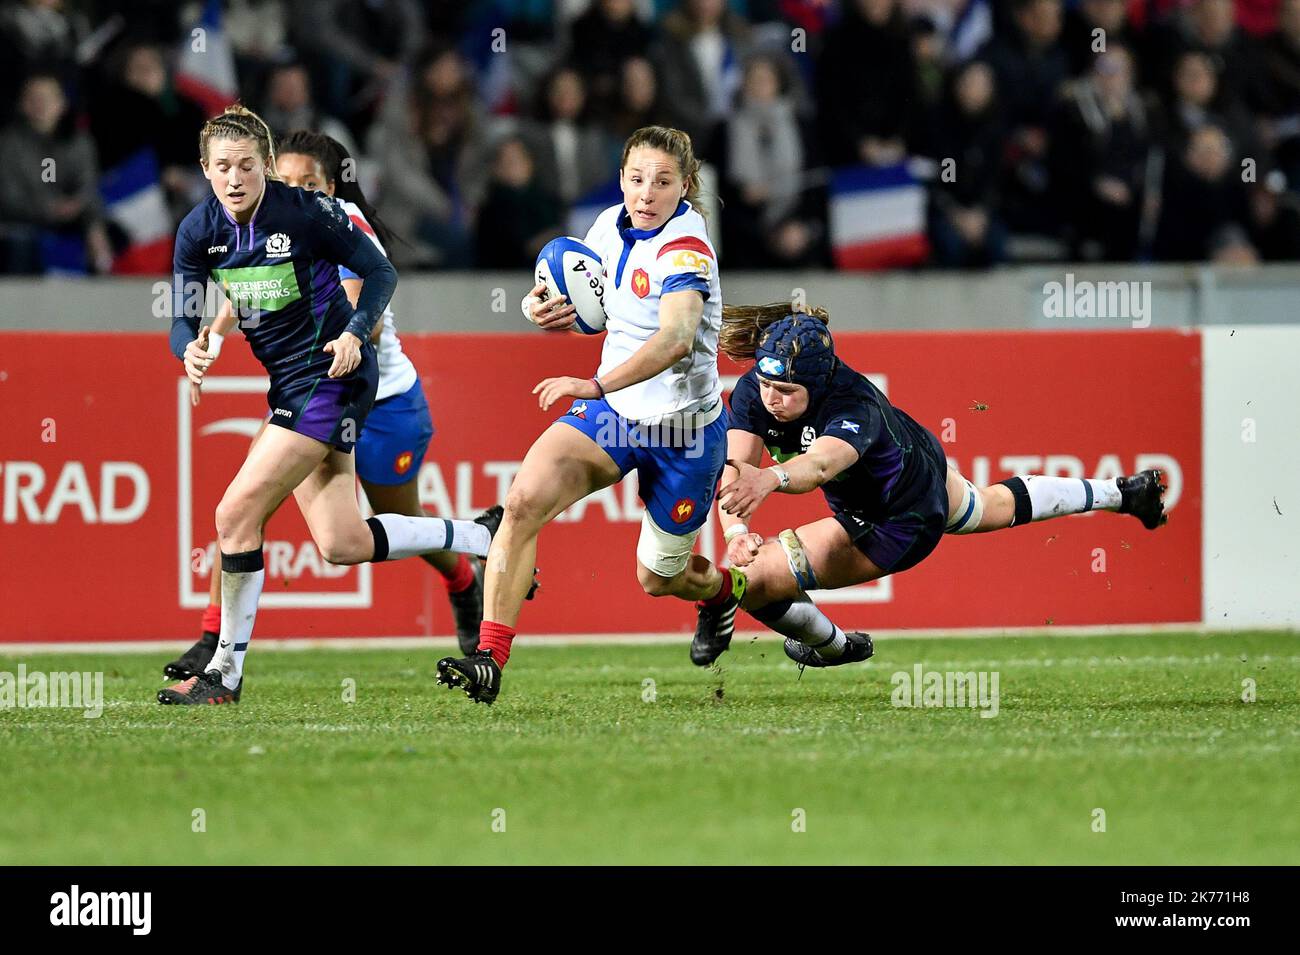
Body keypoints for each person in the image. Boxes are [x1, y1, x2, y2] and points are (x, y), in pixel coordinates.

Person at [162, 105, 502, 705]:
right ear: (204, 169)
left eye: (247, 165)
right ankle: (480, 535)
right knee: (340, 542)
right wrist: (190, 346)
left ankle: (223, 674)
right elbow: (183, 312)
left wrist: (354, 331)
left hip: (332, 377)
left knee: (235, 513)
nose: (235, 178)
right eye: (223, 167)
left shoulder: (308, 212)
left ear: (265, 165)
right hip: (291, 383)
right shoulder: (198, 230)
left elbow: (381, 273)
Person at [435, 125, 736, 704]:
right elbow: (592, 311)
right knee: (522, 503)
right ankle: (489, 660)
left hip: (684, 432)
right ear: (621, 178)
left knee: (659, 577)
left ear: (685, 186)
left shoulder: (687, 247)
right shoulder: (605, 227)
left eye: (663, 182)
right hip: (615, 414)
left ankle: (720, 595)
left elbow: (675, 339)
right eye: (637, 178)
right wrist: (542, 310)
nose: (646, 193)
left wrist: (594, 383)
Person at [690, 307, 1169, 670]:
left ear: (819, 384)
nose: (771, 399)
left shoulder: (853, 404)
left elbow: (818, 466)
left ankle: (833, 647)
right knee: (992, 505)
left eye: (787, 392)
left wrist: (771, 478)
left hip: (897, 519)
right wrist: (737, 532)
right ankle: (1123, 493)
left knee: (753, 583)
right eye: (766, 384)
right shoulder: (756, 390)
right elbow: (738, 467)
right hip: (921, 462)